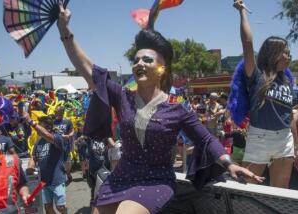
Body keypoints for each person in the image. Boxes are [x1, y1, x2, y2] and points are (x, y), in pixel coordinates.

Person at [57, 3, 263, 214]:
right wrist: (64, 30)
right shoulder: (122, 96)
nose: (139, 64)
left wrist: (230, 164)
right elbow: (87, 68)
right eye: (136, 60)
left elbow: (206, 139)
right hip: (121, 176)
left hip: (155, 181)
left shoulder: (177, 108)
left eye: (147, 60)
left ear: (161, 68)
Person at [233, 0, 295, 188]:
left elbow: (289, 113)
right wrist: (242, 11)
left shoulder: (287, 80)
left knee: (280, 194)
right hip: (259, 139)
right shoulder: (256, 75)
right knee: (248, 192)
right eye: (285, 52)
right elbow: (248, 43)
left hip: (285, 140)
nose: (289, 56)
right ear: (274, 53)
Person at [25, 114, 68, 214]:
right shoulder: (38, 142)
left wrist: (31, 122)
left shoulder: (57, 138)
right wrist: (30, 165)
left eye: (40, 127)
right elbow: (34, 157)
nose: (37, 130)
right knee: (48, 208)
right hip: (44, 181)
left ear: (48, 128)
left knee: (61, 207)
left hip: (57, 179)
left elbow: (48, 136)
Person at [53, 106, 74, 185]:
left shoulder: (67, 121)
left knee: (67, 161)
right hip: (55, 146)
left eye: (56, 112)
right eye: (55, 112)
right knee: (58, 161)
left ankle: (68, 173)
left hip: (65, 145)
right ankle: (61, 176)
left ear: (61, 113)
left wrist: (68, 136)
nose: (54, 113)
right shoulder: (53, 122)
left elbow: (72, 131)